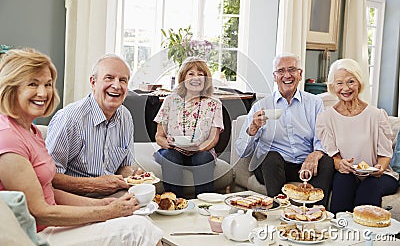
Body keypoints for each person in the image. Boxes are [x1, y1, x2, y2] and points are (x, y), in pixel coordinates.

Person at [0, 48, 163, 245]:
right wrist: (106, 210)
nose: (43, 93)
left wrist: (105, 203)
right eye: (33, 84)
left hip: (62, 215)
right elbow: (39, 211)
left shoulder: (31, 131)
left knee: (140, 219)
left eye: (48, 84)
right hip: (36, 232)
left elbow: (48, 191)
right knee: (140, 231)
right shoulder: (9, 136)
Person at [235, 53, 334, 207]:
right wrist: (253, 129)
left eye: (292, 70)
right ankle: (280, 210)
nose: (287, 75)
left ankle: (315, 212)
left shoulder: (315, 104)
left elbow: (322, 137)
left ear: (300, 74)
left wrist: (316, 154)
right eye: (281, 71)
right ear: (275, 77)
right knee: (270, 157)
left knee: (326, 162)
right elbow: (242, 152)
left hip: (304, 165)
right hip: (272, 167)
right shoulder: (261, 106)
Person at [46, 54, 143, 197]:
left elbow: (123, 167)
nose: (116, 86)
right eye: (109, 78)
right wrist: (94, 185)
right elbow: (49, 177)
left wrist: (134, 176)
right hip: (74, 199)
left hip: (112, 194)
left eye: (123, 80)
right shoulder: (70, 118)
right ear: (93, 82)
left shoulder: (125, 117)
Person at [316, 58, 399, 214]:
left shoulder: (377, 115)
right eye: (339, 83)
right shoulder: (326, 118)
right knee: (342, 181)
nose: (345, 88)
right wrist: (340, 164)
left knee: (369, 185)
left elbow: (385, 155)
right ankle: (339, 231)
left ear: (359, 83)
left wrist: (379, 167)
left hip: (379, 176)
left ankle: (364, 234)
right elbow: (335, 157)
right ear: (333, 87)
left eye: (351, 82)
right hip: (348, 173)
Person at [154, 57, 224, 198]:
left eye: (200, 74)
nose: (196, 78)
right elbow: (158, 136)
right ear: (183, 78)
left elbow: (213, 137)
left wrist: (198, 148)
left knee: (203, 158)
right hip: (173, 150)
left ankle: (204, 204)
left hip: (201, 151)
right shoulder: (170, 100)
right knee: (171, 158)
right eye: (191, 74)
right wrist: (167, 143)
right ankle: (175, 202)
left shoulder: (214, 103)